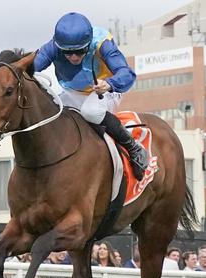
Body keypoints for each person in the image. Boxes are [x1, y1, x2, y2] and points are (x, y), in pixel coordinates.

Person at [33, 12, 147, 180]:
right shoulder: (53, 46)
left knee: (91, 112)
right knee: (50, 114)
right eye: (68, 53)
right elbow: (30, 65)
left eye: (80, 51)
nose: (73, 57)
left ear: (88, 44)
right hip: (72, 92)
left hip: (104, 90)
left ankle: (133, 147)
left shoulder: (102, 43)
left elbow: (127, 73)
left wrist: (109, 84)